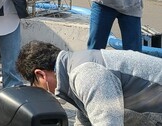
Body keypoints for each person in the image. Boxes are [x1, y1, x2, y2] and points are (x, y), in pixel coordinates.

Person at [16, 40, 162, 125]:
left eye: (34, 85)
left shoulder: (86, 75)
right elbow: (86, 120)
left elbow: (108, 123)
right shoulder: (72, 68)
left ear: (41, 74)